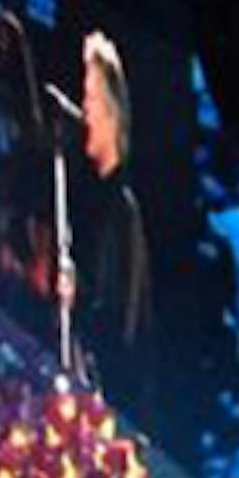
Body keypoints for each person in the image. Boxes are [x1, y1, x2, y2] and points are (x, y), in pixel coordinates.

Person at [61, 31, 152, 401]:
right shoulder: (91, 195)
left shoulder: (123, 210)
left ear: (113, 112)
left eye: (92, 99)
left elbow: (122, 317)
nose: (84, 109)